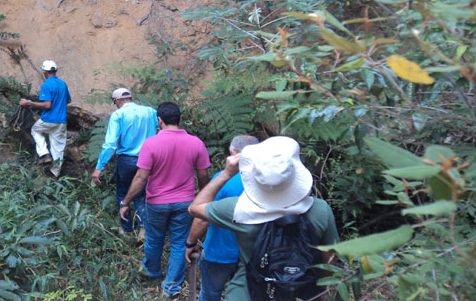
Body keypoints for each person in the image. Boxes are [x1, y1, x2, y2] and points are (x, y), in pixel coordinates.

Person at [188, 136, 339, 301]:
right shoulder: (320, 210)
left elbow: (195, 208)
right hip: (300, 292)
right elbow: (329, 259)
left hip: (246, 293)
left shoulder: (238, 210)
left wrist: (226, 173)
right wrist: (323, 290)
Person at [119, 102, 211, 299]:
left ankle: (152, 272)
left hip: (157, 203)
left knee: (154, 239)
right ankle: (171, 286)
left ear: (159, 120)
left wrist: (126, 202)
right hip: (185, 203)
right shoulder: (196, 143)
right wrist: (204, 197)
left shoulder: (151, 144)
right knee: (180, 243)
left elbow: (141, 178)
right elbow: (203, 176)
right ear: (179, 119)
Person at [184, 134, 259, 301]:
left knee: (210, 293)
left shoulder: (223, 179)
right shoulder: (268, 179)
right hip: (253, 255)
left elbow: (202, 218)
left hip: (220, 253)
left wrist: (190, 242)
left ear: (233, 152)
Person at [91, 87, 158, 236]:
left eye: (115, 102)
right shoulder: (150, 111)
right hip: (148, 159)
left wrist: (99, 167)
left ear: (118, 100)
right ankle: (143, 229)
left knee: (123, 193)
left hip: (127, 160)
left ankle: (127, 229)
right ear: (131, 97)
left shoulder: (118, 115)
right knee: (142, 193)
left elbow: (110, 144)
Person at [19, 59, 71, 178]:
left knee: (35, 130)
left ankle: (44, 154)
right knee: (58, 148)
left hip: (48, 120)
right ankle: (55, 174)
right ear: (56, 70)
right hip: (61, 121)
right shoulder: (63, 84)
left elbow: (47, 105)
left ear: (44, 71)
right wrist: (59, 105)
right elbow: (68, 100)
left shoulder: (47, 84)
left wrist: (29, 103)